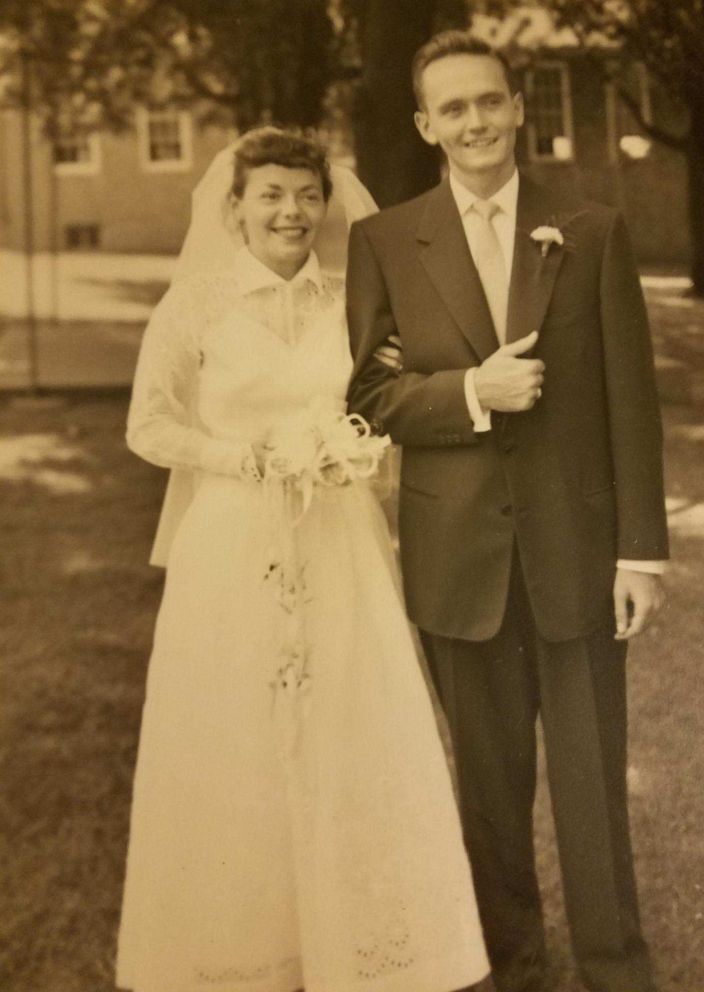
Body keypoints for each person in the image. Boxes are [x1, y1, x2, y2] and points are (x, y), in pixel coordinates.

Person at [116, 127, 490, 992]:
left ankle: (372, 946)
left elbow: (383, 408)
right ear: (235, 207)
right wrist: (244, 459)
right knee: (233, 735)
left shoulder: (352, 301)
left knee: (351, 725)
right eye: (272, 195)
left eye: (306, 195)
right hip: (231, 542)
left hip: (339, 539)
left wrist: (353, 452)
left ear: (327, 205)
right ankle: (237, 951)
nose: (291, 212)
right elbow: (149, 425)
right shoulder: (195, 305)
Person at [346, 31, 669, 992]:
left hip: (576, 552)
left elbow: (631, 400)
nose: (475, 122)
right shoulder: (387, 240)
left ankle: (616, 969)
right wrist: (471, 392)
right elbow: (367, 395)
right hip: (458, 564)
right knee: (489, 796)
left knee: (590, 786)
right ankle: (516, 968)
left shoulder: (592, 227)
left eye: (490, 101)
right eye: (453, 109)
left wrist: (641, 554)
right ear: (424, 125)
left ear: (518, 108)